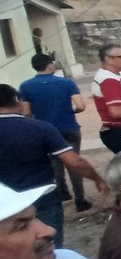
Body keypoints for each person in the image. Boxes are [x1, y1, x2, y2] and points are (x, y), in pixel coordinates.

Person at [0, 84, 105, 249]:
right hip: (43, 198)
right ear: (16, 101)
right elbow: (74, 162)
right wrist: (97, 178)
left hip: (5, 207)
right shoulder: (39, 128)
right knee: (50, 249)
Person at [20, 54, 89, 212]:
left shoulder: (26, 86)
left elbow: (26, 113)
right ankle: (81, 200)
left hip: (44, 130)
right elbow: (80, 105)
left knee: (55, 164)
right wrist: (69, 111)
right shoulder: (66, 83)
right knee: (74, 163)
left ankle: (63, 193)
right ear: (50, 66)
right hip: (69, 127)